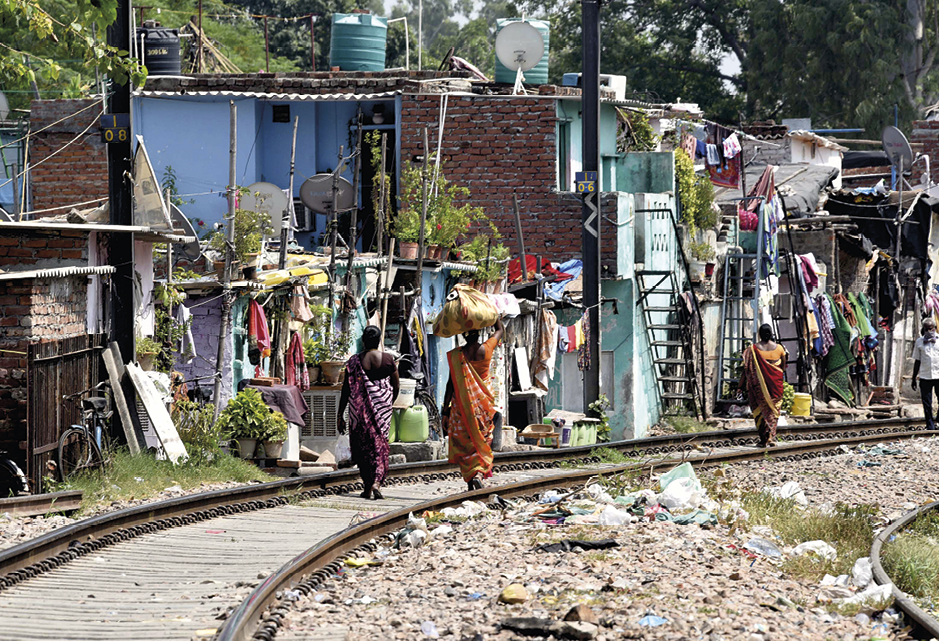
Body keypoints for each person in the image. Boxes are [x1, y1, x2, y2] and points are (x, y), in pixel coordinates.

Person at [442, 317, 504, 491]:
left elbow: (450, 385)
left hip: (460, 408)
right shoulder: (487, 349)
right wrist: (493, 315)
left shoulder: (456, 356)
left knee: (464, 444)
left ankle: (472, 477)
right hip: (482, 407)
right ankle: (477, 474)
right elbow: (500, 330)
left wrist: (445, 411)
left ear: (463, 334)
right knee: (481, 440)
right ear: (479, 334)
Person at [338, 325, 399, 500]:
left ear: (363, 341)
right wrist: (385, 405)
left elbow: (346, 390)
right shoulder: (388, 360)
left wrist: (340, 414)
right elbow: (396, 387)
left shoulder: (353, 362)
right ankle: (377, 483)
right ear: (379, 341)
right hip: (383, 412)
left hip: (359, 414)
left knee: (362, 448)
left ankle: (367, 486)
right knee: (380, 447)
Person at [740, 323, 788, 447]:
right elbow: (782, 368)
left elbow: (745, 370)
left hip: (758, 388)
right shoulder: (779, 349)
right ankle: (771, 436)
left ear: (760, 334)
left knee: (760, 411)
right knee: (773, 411)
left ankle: (763, 439)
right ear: (771, 334)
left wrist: (740, 387)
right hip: (775, 387)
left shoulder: (752, 350)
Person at [912, 318, 939, 430]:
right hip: (925, 376)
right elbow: (917, 361)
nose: (929, 331)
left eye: (930, 328)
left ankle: (938, 418)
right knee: (927, 403)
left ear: (935, 328)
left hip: (938, 375)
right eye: (926, 329)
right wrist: (913, 378)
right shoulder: (919, 342)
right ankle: (930, 426)